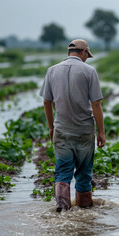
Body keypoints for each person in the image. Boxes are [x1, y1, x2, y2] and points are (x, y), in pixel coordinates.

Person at [39, 39, 106, 212]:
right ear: (83, 52)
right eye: (86, 56)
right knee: (84, 172)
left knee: (63, 170)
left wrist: (51, 127)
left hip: (61, 129)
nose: (86, 59)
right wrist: (101, 132)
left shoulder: (51, 71)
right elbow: (96, 104)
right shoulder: (89, 71)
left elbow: (47, 102)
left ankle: (62, 207)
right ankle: (84, 211)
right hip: (84, 131)